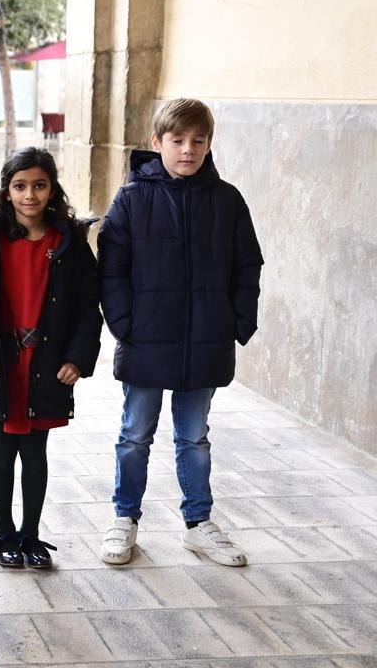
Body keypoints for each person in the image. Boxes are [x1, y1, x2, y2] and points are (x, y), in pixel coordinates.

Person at [98, 98, 263, 567]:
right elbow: (111, 269)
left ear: (209, 144)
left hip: (206, 340)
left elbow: (247, 265)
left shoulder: (227, 201)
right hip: (146, 340)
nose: (188, 149)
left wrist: (237, 323)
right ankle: (124, 518)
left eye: (198, 140)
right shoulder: (132, 199)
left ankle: (198, 524)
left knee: (194, 437)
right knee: (135, 435)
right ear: (157, 143)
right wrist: (126, 325)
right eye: (177, 140)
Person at [0, 147, 103, 569]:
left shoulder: (69, 243)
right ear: (7, 191)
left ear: (52, 189)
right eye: (20, 186)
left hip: (47, 363)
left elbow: (88, 307)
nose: (29, 195)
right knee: (3, 445)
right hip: (0, 362)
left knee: (35, 449)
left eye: (39, 185)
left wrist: (77, 358)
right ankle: (5, 535)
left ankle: (31, 535)